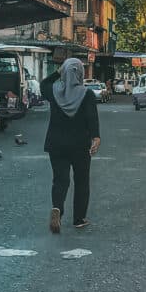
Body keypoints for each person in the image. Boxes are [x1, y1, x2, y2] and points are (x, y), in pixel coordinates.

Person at [41, 58, 100, 233]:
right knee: (81, 181)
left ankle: (57, 207)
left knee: (60, 179)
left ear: (64, 73)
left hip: (56, 144)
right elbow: (92, 118)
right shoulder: (87, 94)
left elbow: (44, 83)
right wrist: (96, 137)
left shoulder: (53, 91)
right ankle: (79, 219)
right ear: (80, 73)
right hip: (80, 145)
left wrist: (58, 71)